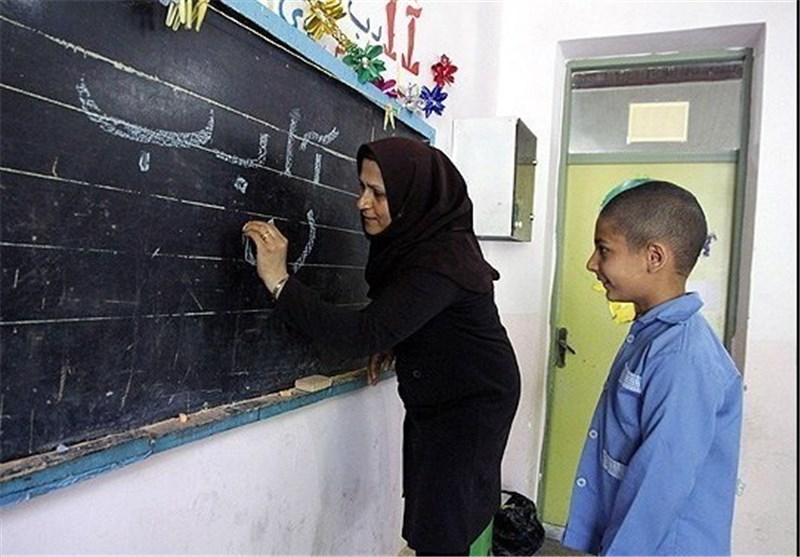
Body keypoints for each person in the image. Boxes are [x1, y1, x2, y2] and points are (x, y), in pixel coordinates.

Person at [242, 136, 521, 556]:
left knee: (447, 518)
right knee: (438, 506)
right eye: (362, 187)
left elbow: (359, 334)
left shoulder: (441, 260)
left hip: (470, 403)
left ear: (414, 196)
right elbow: (402, 315)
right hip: (449, 393)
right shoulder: (421, 242)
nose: (362, 203)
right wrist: (397, 334)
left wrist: (280, 281)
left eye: (379, 193)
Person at [561, 179, 744, 556]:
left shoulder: (682, 356)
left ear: (654, 257)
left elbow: (659, 484)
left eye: (603, 250)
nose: (592, 264)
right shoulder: (652, 335)